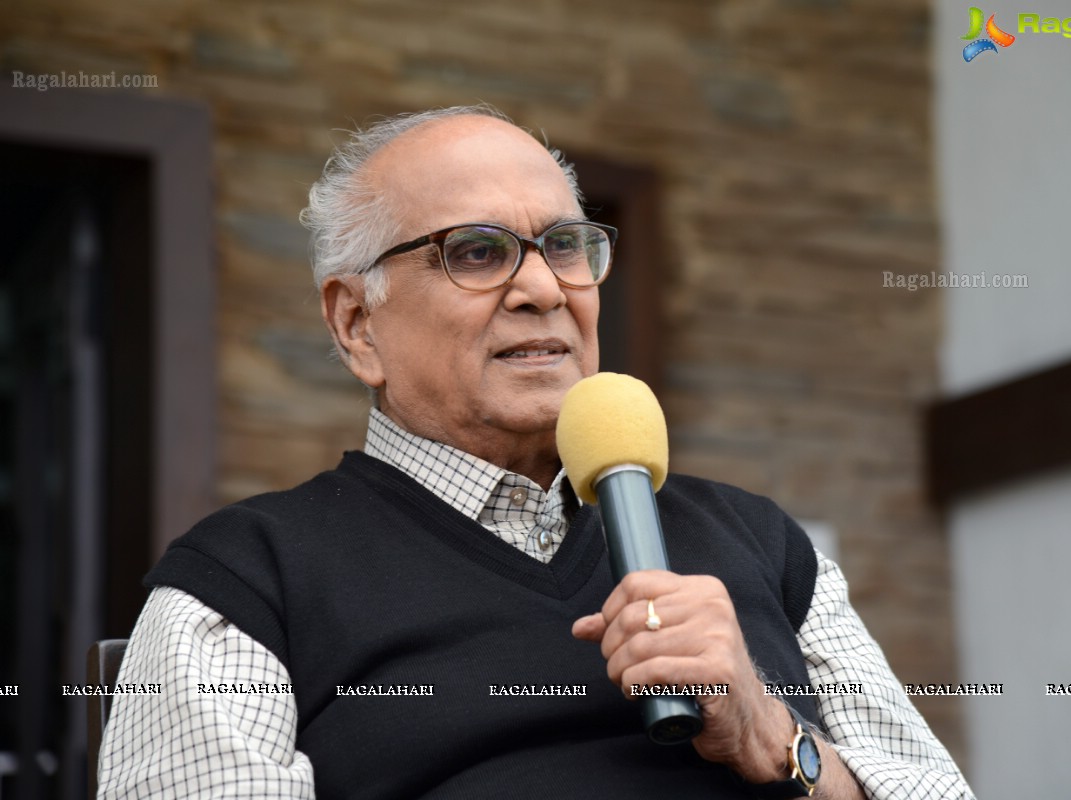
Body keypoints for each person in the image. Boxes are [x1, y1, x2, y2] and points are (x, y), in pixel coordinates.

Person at [98, 105, 974, 799]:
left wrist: (773, 738)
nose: (543, 288)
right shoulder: (245, 587)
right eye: (476, 252)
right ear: (357, 323)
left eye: (566, 246)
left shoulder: (764, 546)